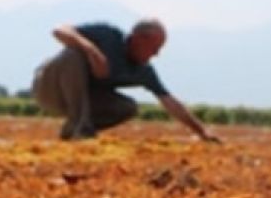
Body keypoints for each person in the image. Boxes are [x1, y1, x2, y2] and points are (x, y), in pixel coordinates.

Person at [33, 19, 220, 142]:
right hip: (49, 87)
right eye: (154, 48)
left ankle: (76, 130)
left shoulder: (142, 70)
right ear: (138, 39)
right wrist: (91, 51)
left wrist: (201, 132)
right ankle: (80, 127)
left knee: (128, 107)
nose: (156, 54)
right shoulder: (109, 35)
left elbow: (169, 100)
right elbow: (59, 30)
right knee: (74, 54)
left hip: (80, 100)